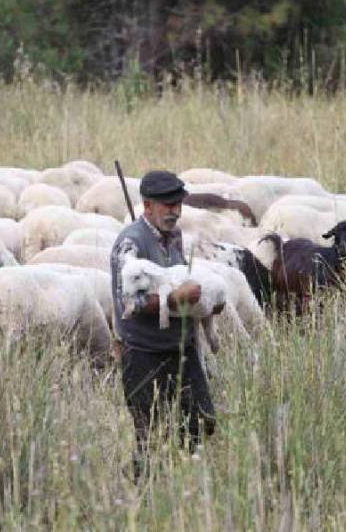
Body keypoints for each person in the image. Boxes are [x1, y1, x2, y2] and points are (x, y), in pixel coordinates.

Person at [110, 169, 217, 479]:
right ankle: (140, 489)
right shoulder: (129, 244)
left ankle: (180, 480)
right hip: (144, 352)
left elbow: (177, 278)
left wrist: (206, 302)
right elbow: (130, 303)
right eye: (168, 205)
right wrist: (174, 299)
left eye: (178, 204)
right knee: (149, 434)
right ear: (147, 206)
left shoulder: (175, 236)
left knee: (202, 420)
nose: (175, 211)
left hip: (181, 347)